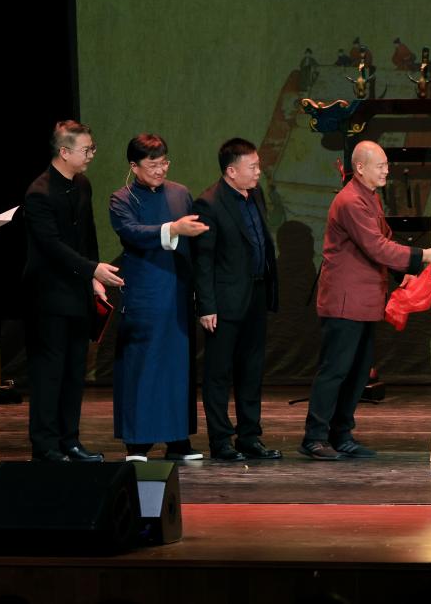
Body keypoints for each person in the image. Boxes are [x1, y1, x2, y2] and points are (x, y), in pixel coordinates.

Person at [300, 141, 431, 460]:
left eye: (386, 165)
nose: (387, 170)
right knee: (335, 370)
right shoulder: (350, 201)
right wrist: (423, 256)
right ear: (360, 168)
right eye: (381, 165)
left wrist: (404, 272)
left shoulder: (369, 196)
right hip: (346, 301)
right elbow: (377, 247)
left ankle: (341, 433)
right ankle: (314, 437)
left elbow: (383, 239)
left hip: (366, 300)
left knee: (359, 372)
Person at [23, 120, 124, 462]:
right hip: (48, 297)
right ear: (64, 152)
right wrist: (92, 269)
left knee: (74, 372)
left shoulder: (81, 184)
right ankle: (45, 445)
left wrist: (93, 279)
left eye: (92, 148)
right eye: (86, 149)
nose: (91, 154)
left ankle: (70, 441)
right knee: (49, 373)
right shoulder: (39, 193)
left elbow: (87, 236)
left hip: (78, 292)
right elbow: (52, 246)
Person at [109, 134, 209, 462]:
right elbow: (132, 233)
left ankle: (178, 440)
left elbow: (194, 243)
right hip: (145, 293)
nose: (160, 170)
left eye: (164, 162)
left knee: (178, 367)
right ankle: (138, 443)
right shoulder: (122, 199)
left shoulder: (180, 193)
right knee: (143, 366)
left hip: (177, 290)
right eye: (152, 165)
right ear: (134, 166)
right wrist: (173, 229)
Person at [193, 138, 281, 462]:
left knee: (252, 368)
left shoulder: (254, 195)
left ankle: (249, 436)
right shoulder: (209, 203)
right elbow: (203, 260)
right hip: (225, 300)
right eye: (252, 167)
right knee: (219, 373)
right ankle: (220, 440)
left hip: (255, 293)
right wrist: (207, 306)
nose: (258, 172)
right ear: (231, 171)